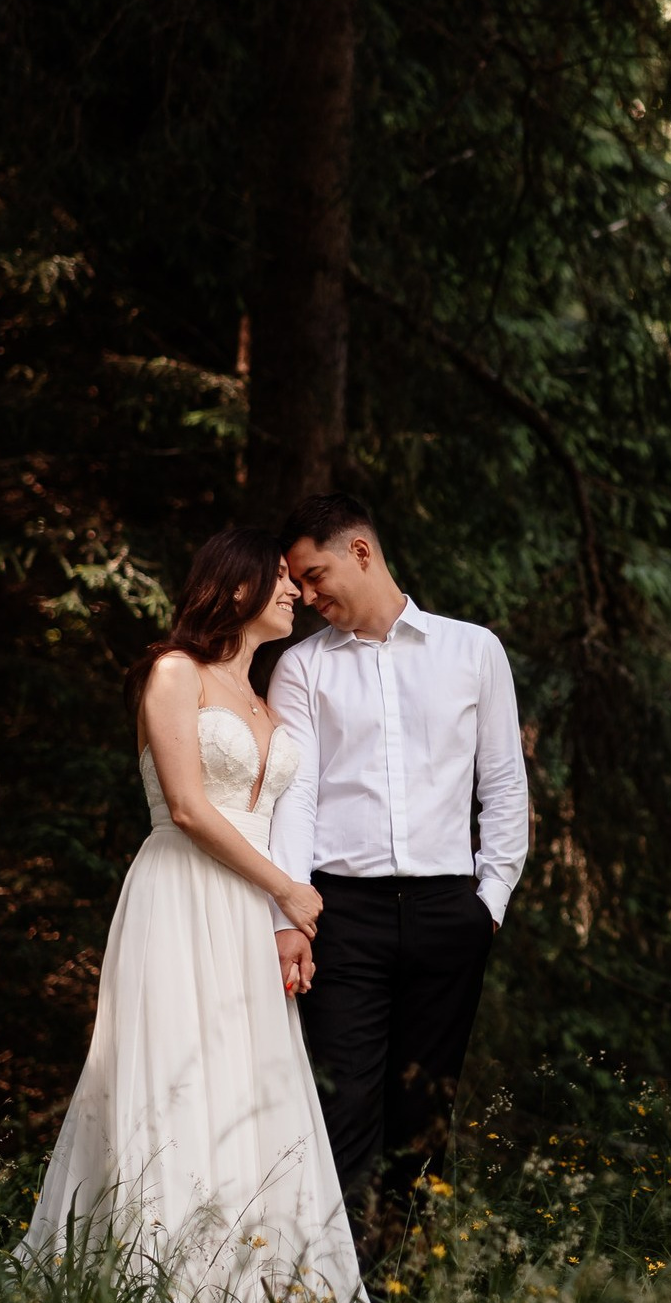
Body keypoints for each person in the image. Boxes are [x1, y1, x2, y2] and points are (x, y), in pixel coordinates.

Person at [20, 528, 363, 1300]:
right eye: (281, 577)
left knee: (247, 1080)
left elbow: (277, 816)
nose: (295, 592)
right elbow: (187, 807)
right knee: (176, 1072)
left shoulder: (265, 699)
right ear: (237, 587)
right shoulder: (175, 671)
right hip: (181, 890)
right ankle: (163, 1271)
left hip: (249, 910)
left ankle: (255, 1270)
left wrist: (286, 921)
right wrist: (288, 889)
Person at [265, 493, 529, 1232]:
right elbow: (297, 797)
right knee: (341, 1109)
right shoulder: (301, 668)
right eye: (298, 583)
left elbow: (504, 782)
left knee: (424, 1118)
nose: (306, 596)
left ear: (360, 552)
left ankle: (402, 1277)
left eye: (314, 575)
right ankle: (334, 1277)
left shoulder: (474, 650)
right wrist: (292, 910)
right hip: (342, 916)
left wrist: (490, 901)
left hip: (450, 914)